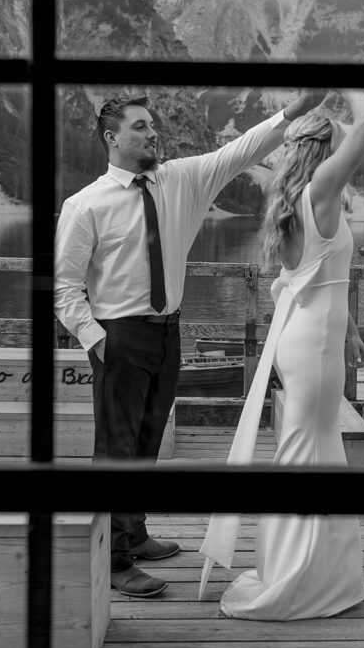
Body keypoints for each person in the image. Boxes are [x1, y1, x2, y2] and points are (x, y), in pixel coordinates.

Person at [54, 88, 326, 599]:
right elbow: (66, 289)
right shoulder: (84, 204)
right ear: (111, 138)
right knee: (116, 450)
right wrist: (97, 340)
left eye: (152, 125)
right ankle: (113, 560)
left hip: (167, 332)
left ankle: (133, 533)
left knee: (148, 441)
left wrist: (295, 111)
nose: (152, 132)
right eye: (139, 126)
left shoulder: (180, 179)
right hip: (119, 336)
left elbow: (242, 148)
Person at [199, 89, 364, 620]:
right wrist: (343, 86)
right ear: (326, 149)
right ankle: (297, 574)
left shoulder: (298, 197)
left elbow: (317, 277)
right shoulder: (323, 187)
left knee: (310, 445)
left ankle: (304, 565)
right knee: (307, 450)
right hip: (311, 340)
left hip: (307, 333)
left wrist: (349, 331)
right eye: (337, 141)